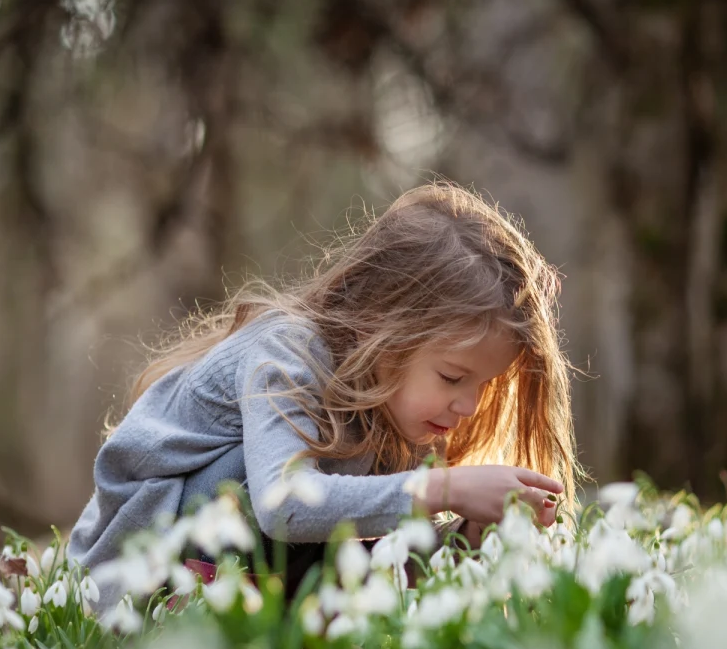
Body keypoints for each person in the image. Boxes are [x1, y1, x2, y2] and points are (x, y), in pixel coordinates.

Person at [67, 181, 583, 611]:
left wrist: (471, 534)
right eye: (452, 377)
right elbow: (282, 509)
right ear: (383, 330)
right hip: (127, 578)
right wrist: (444, 490)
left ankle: (269, 639)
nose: (469, 406)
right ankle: (196, 629)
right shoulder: (286, 354)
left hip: (244, 577)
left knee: (362, 508)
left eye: (484, 385)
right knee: (293, 488)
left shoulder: (394, 415)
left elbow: (382, 558)